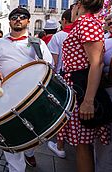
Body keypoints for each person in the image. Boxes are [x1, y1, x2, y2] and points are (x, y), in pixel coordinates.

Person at [0, 7, 53, 172]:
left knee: (33, 131)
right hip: (6, 97)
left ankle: (29, 151)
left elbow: (49, 67)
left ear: (28, 21)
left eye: (22, 17)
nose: (18, 19)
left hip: (31, 97)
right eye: (14, 17)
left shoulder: (38, 44)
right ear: (10, 21)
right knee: (12, 136)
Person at [58, 0, 108, 172]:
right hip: (78, 86)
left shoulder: (87, 23)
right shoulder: (86, 24)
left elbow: (97, 63)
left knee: (82, 146)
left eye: (72, 6)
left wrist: (87, 102)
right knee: (81, 146)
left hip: (82, 88)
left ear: (78, 5)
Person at [47, 9, 73, 158]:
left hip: (62, 79)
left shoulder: (59, 36)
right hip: (80, 80)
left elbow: (53, 62)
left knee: (62, 111)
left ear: (63, 20)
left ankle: (60, 145)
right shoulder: (78, 33)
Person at [94, 16, 112, 172]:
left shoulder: (108, 43)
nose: (110, 27)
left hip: (111, 92)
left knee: (106, 145)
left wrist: (108, 79)